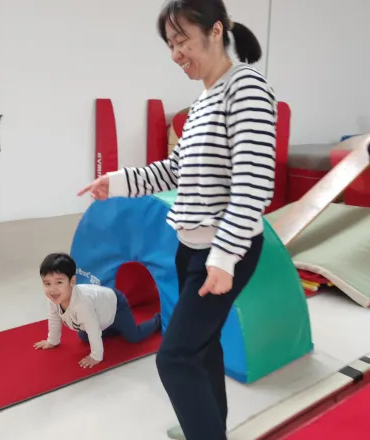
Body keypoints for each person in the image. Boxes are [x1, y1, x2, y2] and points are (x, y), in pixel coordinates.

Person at [78, 0, 277, 437]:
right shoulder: (203, 100)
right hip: (190, 247)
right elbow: (175, 170)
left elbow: (254, 182)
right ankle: (209, 427)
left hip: (223, 249)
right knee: (201, 349)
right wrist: (118, 181)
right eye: (170, 44)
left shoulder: (246, 88)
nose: (176, 54)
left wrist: (224, 257)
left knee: (174, 358)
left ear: (215, 31)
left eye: (182, 39)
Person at [33, 252, 161, 368]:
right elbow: (54, 318)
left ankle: (158, 319)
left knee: (133, 336)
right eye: (47, 284)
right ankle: (114, 326)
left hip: (116, 304)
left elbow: (93, 329)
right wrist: (52, 341)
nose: (52, 289)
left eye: (59, 282)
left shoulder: (82, 304)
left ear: (72, 281)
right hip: (100, 309)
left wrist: (96, 356)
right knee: (84, 336)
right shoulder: (54, 298)